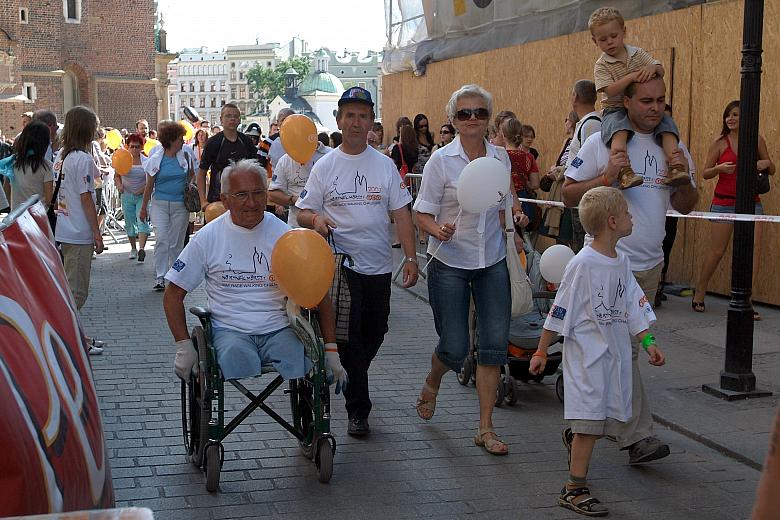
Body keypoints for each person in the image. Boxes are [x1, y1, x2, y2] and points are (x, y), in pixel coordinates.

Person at [562, 76, 698, 464]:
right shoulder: (602, 141)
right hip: (605, 267)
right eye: (646, 101)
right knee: (625, 350)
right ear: (628, 102)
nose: (655, 108)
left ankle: (582, 427)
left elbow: (686, 204)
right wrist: (606, 178)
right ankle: (636, 436)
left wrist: (684, 175)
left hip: (650, 264)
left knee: (621, 351)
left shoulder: (669, 144)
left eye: (661, 101)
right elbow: (569, 193)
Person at [531, 186, 665, 517]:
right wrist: (540, 350)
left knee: (603, 416)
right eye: (627, 213)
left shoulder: (622, 262)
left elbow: (634, 306)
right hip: (587, 361)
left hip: (614, 358)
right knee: (591, 421)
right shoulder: (583, 264)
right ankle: (574, 487)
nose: (632, 217)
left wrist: (648, 343)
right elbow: (560, 309)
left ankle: (575, 437)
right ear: (612, 221)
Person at [412, 84, 528, 456]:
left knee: (494, 346)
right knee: (455, 346)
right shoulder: (440, 161)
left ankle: (485, 428)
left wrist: (515, 223)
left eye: (480, 112)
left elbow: (500, 200)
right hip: (450, 261)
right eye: (464, 114)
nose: (473, 119)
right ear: (453, 120)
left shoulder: (500, 157)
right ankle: (433, 379)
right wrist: (436, 229)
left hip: (491, 259)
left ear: (489, 117)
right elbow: (421, 213)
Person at [296, 86, 419, 437]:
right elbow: (304, 210)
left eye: (362, 116)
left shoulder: (384, 165)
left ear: (371, 123)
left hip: (379, 267)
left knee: (376, 331)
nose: (355, 122)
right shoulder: (325, 166)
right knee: (349, 339)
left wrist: (410, 258)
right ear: (338, 120)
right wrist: (317, 221)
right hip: (340, 268)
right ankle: (358, 410)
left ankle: (348, 374)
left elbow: (402, 214)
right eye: (349, 115)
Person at [162, 159, 347, 391]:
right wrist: (183, 345)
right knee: (234, 356)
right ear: (225, 200)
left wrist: (331, 351)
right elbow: (173, 293)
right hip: (230, 331)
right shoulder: (207, 237)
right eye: (241, 195)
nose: (251, 202)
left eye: (258, 193)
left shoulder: (286, 236)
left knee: (304, 360)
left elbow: (319, 294)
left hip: (279, 328)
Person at [589, 6, 689, 190]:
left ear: (623, 32)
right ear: (595, 41)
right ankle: (624, 171)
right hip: (616, 108)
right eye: (603, 39)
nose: (610, 42)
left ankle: (675, 165)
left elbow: (659, 68)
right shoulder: (601, 65)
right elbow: (609, 90)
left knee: (668, 126)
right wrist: (632, 77)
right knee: (619, 133)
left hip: (636, 109)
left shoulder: (637, 54)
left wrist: (654, 69)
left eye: (614, 36)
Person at [692, 100, 775, 318]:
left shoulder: (756, 140)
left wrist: (766, 163)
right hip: (724, 202)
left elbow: (772, 167)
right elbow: (706, 173)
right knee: (717, 250)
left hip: (752, 202)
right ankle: (700, 292)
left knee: (753, 251)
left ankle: (747, 300)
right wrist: (719, 168)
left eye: (736, 115)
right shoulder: (720, 143)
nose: (731, 119)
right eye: (728, 115)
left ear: (745, 118)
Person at [53, 105, 105, 355]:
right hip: (78, 231)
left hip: (64, 228)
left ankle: (78, 336)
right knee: (77, 292)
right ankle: (69, 341)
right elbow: (86, 198)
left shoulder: (61, 156)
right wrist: (97, 233)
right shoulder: (82, 158)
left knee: (70, 288)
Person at [140, 120, 193, 291]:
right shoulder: (157, 158)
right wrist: (143, 208)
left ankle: (176, 276)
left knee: (177, 243)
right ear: (171, 140)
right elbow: (149, 185)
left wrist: (189, 188)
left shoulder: (185, 155)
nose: (183, 142)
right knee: (162, 239)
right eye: (180, 139)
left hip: (180, 205)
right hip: (160, 204)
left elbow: (192, 174)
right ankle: (160, 276)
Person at [196, 104, 258, 206]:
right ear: (221, 119)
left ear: (239, 120)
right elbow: (202, 172)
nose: (232, 119)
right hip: (218, 197)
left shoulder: (246, 141)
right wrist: (203, 201)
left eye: (235, 116)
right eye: (228, 116)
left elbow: (255, 170)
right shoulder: (213, 142)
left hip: (243, 197)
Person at [567, 79, 602, 252]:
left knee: (583, 249)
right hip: (578, 194)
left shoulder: (592, 124)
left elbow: (594, 162)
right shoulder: (585, 124)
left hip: (585, 197)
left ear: (575, 97)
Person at [268, 138, 331, 227]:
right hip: (297, 228)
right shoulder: (285, 160)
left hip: (329, 228)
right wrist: (294, 200)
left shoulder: (330, 155)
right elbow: (272, 194)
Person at [539, 111, 580, 245]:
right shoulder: (567, 141)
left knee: (569, 236)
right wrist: (555, 170)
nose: (565, 123)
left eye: (567, 119)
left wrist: (559, 171)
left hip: (569, 187)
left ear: (573, 122)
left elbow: (576, 164)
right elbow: (560, 162)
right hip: (558, 189)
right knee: (560, 237)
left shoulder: (579, 141)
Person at [500, 117, 540, 231]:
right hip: (524, 202)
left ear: (503, 135)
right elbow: (536, 184)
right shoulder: (529, 157)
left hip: (503, 203)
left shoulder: (499, 156)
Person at [115, 132, 150, 261]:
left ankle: (141, 249)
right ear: (127, 146)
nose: (134, 149)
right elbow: (117, 176)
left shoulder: (146, 161)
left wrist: (143, 190)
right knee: (129, 222)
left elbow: (151, 180)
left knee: (142, 220)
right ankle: (133, 248)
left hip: (142, 196)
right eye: (132, 146)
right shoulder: (123, 159)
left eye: (137, 146)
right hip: (127, 195)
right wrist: (119, 185)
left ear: (142, 147)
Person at [9, 120, 54, 211]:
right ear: (44, 143)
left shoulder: (12, 162)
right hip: (38, 218)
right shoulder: (46, 166)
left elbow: (7, 189)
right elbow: (49, 200)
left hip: (16, 217)